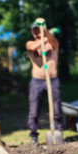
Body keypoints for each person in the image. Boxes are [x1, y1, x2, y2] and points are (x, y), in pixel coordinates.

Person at [25, 18, 62, 146]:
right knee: (34, 110)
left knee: (56, 108)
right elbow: (32, 47)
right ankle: (34, 135)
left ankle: (58, 132)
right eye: (35, 31)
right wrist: (44, 38)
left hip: (53, 80)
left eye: (39, 31)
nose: (37, 33)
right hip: (37, 81)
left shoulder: (52, 43)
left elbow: (54, 42)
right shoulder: (30, 43)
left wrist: (46, 33)